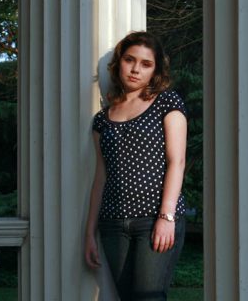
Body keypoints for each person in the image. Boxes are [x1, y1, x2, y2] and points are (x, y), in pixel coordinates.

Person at [84, 31, 188, 300]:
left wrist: (167, 218)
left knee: (149, 297)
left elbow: (176, 162)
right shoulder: (102, 119)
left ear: (156, 70)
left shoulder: (167, 103)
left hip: (153, 219)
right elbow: (101, 178)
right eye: (130, 60)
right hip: (112, 224)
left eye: (145, 64)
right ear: (119, 62)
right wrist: (89, 232)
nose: (135, 69)